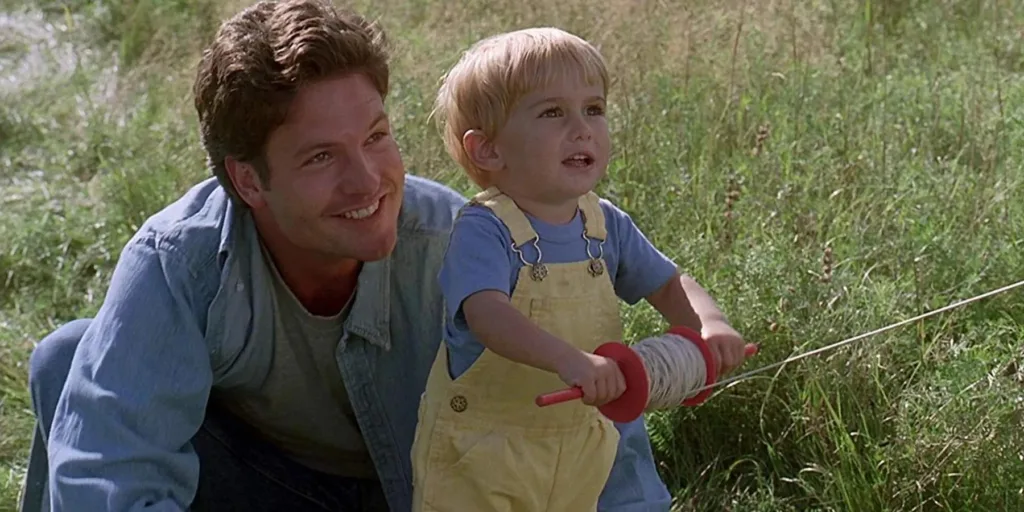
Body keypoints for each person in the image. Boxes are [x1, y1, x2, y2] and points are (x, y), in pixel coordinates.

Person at [19, 1, 681, 511]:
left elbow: (587, 417)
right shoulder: (182, 258)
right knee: (72, 358)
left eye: (376, 137)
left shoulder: (467, 245)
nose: (367, 182)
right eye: (320, 157)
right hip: (269, 484)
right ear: (248, 180)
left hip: (431, 492)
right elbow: (112, 476)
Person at [409, 27, 754, 511]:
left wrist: (707, 324)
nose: (582, 128)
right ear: (488, 149)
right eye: (553, 112)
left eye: (594, 109)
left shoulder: (605, 224)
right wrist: (568, 359)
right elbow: (487, 315)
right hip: (487, 455)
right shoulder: (484, 229)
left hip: (586, 440)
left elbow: (668, 283)